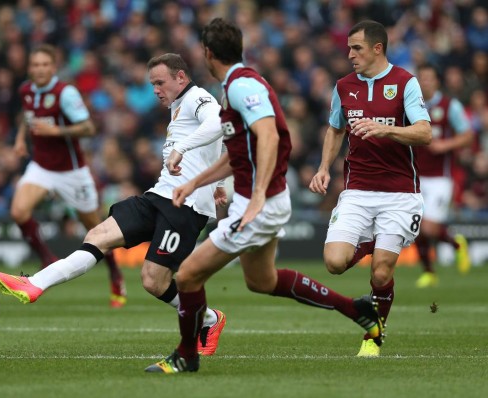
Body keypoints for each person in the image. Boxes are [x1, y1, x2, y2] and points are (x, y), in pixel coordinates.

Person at [144, 18, 384, 374]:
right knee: (262, 281)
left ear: (207, 53)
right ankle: (357, 309)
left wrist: (256, 196)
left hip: (260, 203)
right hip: (258, 200)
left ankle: (186, 355)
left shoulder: (242, 86)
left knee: (188, 275)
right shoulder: (233, 88)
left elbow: (268, 135)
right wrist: (196, 183)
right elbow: (239, 154)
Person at [0, 53, 228, 356]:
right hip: (159, 195)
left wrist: (184, 152)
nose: (156, 89)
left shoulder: (197, 98)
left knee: (153, 282)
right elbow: (215, 141)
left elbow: (218, 122)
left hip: (186, 206)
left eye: (160, 82)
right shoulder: (178, 105)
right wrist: (218, 182)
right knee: (97, 236)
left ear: (180, 77)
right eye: (152, 83)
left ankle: (210, 318)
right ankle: (34, 283)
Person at [309, 20, 432, 357]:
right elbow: (336, 129)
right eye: (349, 48)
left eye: (357, 48)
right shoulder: (344, 86)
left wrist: (385, 129)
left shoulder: (405, 83)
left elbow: (424, 133)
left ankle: (373, 336)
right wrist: (323, 168)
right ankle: (375, 243)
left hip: (400, 194)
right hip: (358, 191)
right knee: (334, 262)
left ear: (377, 48)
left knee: (380, 272)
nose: (350, 55)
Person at [4, 44, 126, 307]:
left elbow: (89, 128)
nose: (39, 69)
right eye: (35, 65)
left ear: (53, 67)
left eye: (44, 64)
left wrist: (56, 132)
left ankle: (115, 273)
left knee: (96, 231)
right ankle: (48, 259)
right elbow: (25, 118)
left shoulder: (65, 93)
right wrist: (20, 139)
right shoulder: (26, 90)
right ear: (29, 68)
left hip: (72, 172)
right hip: (42, 167)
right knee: (18, 211)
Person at [414, 63, 474, 288]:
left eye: (429, 78)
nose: (425, 82)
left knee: (428, 228)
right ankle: (429, 272)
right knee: (415, 226)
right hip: (416, 175)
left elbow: (468, 135)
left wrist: (445, 145)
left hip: (440, 177)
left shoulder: (450, 106)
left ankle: (457, 245)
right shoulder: (411, 105)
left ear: (436, 81)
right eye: (421, 78)